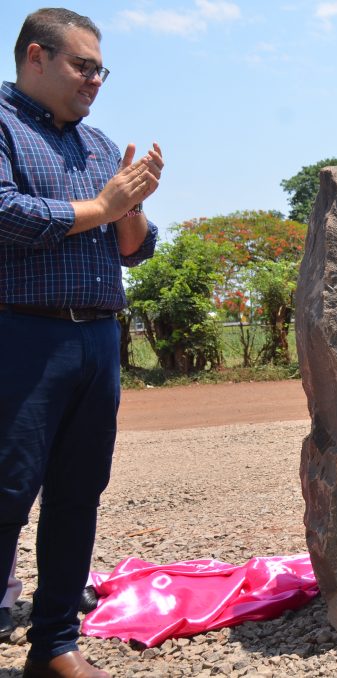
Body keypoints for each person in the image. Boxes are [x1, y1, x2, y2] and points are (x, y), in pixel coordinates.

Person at [0, 8, 163, 676]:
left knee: (78, 492)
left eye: (102, 69)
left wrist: (133, 203)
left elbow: (135, 251)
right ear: (35, 58)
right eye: (83, 65)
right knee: (8, 492)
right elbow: (7, 213)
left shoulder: (99, 145)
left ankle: (55, 645)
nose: (95, 80)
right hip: (21, 335)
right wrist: (102, 206)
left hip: (96, 340)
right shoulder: (4, 129)